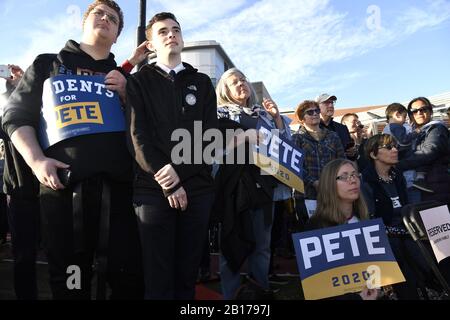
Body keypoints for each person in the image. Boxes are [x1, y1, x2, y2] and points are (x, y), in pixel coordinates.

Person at [2, 0, 143, 299]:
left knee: (125, 279)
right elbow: (16, 117)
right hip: (62, 192)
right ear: (84, 22)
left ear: (118, 34)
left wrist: (128, 95)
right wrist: (37, 160)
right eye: (99, 14)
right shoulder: (47, 64)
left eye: (113, 19)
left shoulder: (127, 79)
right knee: (69, 280)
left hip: (119, 195)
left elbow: (146, 132)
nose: (105, 19)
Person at [126, 12, 218, 300]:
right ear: (151, 44)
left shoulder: (202, 82)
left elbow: (209, 137)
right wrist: (167, 178)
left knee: (186, 274)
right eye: (163, 31)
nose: (171, 35)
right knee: (158, 275)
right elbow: (137, 136)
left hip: (196, 188)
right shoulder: (138, 82)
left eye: (176, 30)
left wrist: (180, 174)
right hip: (153, 189)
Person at [213, 67, 292, 299]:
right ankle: (231, 296)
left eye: (243, 80)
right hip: (233, 188)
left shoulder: (264, 115)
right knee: (231, 243)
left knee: (262, 246)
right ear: (225, 90)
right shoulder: (218, 114)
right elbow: (213, 151)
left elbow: (284, 148)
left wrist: (277, 118)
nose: (241, 84)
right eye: (234, 82)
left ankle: (261, 294)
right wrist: (242, 138)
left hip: (264, 187)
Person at [362, 134, 434, 299]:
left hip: (407, 231)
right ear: (373, 154)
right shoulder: (365, 181)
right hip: (387, 238)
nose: (395, 150)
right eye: (388, 147)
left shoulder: (397, 176)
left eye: (395, 146)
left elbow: (406, 207)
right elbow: (370, 219)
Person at [305, 159, 379, 300]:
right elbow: (319, 289)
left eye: (355, 175)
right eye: (344, 177)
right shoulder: (315, 227)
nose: (352, 181)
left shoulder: (364, 220)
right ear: (329, 185)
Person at [0, 64, 41, 300]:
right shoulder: (9, 117)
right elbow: (9, 113)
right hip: (20, 192)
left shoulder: (46, 111)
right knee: (24, 255)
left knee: (61, 252)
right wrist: (11, 88)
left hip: (51, 190)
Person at [397, 97, 450, 204]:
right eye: (415, 111)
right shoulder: (414, 133)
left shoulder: (436, 129)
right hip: (418, 188)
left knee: (436, 220)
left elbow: (429, 152)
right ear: (411, 115)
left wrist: (398, 165)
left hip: (435, 187)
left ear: (430, 112)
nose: (419, 113)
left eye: (423, 109)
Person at [293, 100, 345, 201]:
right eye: (310, 112)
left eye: (317, 111)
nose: (315, 114)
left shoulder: (332, 136)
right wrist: (314, 182)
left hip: (332, 191)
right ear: (301, 118)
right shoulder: (297, 138)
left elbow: (342, 161)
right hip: (307, 195)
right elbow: (296, 167)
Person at [382, 103, 432, 202]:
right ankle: (420, 179)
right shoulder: (396, 126)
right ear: (397, 115)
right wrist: (416, 133)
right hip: (405, 158)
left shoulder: (387, 128)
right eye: (404, 117)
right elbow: (404, 140)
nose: (405, 120)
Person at [315, 93, 354, 159]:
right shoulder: (311, 128)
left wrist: (353, 153)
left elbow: (351, 156)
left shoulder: (342, 128)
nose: (331, 105)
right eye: (326, 103)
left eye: (332, 102)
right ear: (317, 107)